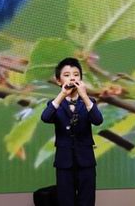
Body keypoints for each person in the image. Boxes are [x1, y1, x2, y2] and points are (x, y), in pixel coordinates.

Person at [41, 57, 103, 206]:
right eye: (67, 75)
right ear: (58, 80)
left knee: (87, 200)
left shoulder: (89, 102)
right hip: (64, 162)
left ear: (81, 79)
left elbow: (98, 120)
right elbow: (45, 117)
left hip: (86, 161)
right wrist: (62, 95)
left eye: (76, 74)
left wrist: (85, 96)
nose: (72, 78)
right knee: (65, 201)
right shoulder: (55, 103)